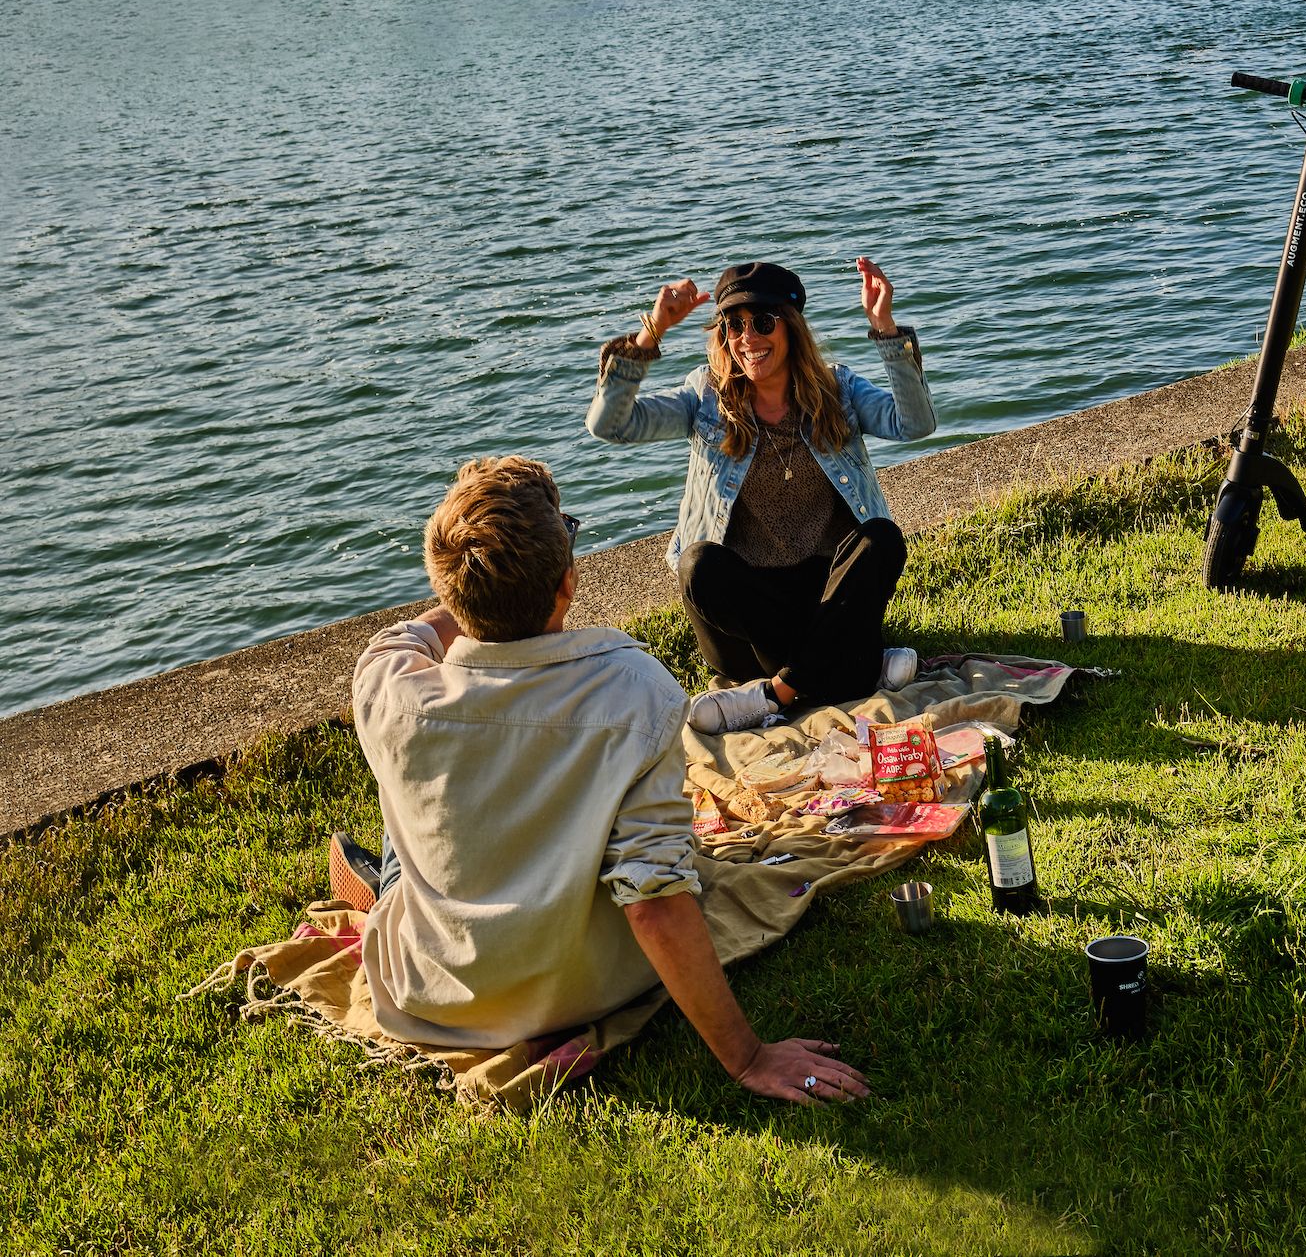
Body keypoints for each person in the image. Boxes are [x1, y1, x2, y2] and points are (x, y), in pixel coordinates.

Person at [332, 455, 867, 1104]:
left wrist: (472, 586)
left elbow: (421, 632)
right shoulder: (631, 690)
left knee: (409, 800)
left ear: (448, 586)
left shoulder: (387, 681)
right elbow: (654, 902)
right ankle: (392, 883)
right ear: (566, 583)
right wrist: (748, 1057)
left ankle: (388, 888)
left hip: (434, 991)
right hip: (586, 984)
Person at [586, 257, 936, 734]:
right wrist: (652, 331)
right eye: (734, 325)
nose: (748, 338)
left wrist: (885, 328)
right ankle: (853, 668)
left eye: (763, 322)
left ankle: (777, 692)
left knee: (882, 538)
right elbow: (610, 425)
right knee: (698, 564)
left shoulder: (838, 390)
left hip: (824, 595)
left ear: (791, 328)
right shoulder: (705, 397)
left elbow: (913, 424)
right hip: (745, 615)